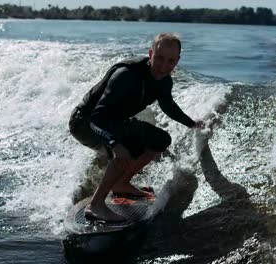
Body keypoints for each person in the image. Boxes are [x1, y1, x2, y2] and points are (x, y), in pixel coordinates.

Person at [69, 33, 204, 222]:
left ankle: (122, 183)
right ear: (150, 53)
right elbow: (97, 117)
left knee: (160, 139)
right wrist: (115, 143)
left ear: (177, 61)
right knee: (126, 147)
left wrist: (191, 123)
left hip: (115, 121)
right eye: (159, 58)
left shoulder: (164, 80)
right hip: (84, 122)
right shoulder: (126, 75)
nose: (164, 66)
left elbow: (168, 106)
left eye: (170, 61)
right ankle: (96, 204)